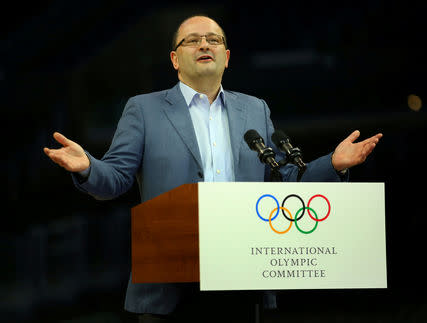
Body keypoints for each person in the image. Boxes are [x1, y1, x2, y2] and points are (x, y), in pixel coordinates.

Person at [44, 15, 382, 322]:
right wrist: (89, 166)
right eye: (192, 40)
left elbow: (284, 180)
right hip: (169, 288)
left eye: (213, 39)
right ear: (175, 59)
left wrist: (333, 165)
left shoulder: (254, 109)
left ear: (227, 57)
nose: (204, 44)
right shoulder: (144, 109)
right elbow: (116, 179)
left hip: (242, 279)